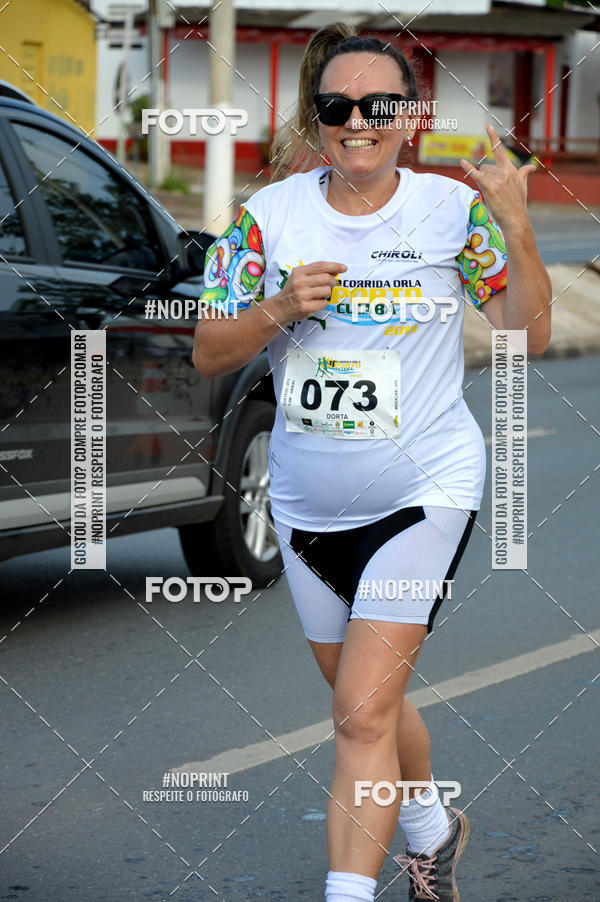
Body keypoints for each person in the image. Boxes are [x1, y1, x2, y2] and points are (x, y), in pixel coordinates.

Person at [192, 22, 551, 902]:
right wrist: (279, 308)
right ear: (316, 117)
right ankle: (432, 828)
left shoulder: (450, 211)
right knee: (367, 700)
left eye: (379, 105)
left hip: (424, 492)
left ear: (409, 116)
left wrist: (516, 225)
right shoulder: (265, 218)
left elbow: (528, 336)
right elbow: (207, 350)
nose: (359, 121)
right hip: (306, 508)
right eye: (338, 106)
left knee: (358, 712)